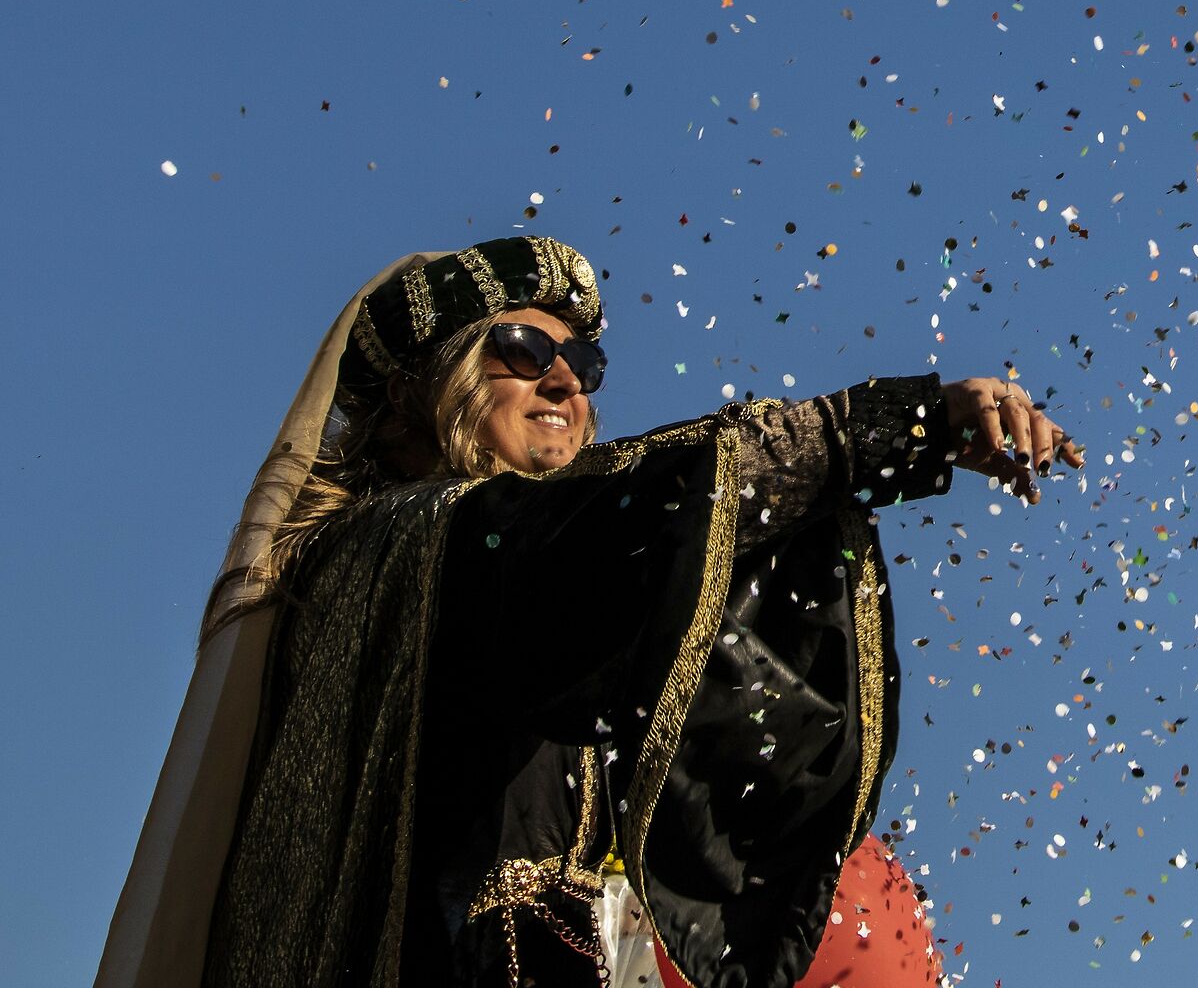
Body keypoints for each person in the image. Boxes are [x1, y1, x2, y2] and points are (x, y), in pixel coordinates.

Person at [99, 236, 1081, 988]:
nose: (566, 381)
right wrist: (890, 427)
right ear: (416, 388)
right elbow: (623, 524)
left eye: (585, 364)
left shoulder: (516, 556)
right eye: (525, 350)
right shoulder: (399, 552)